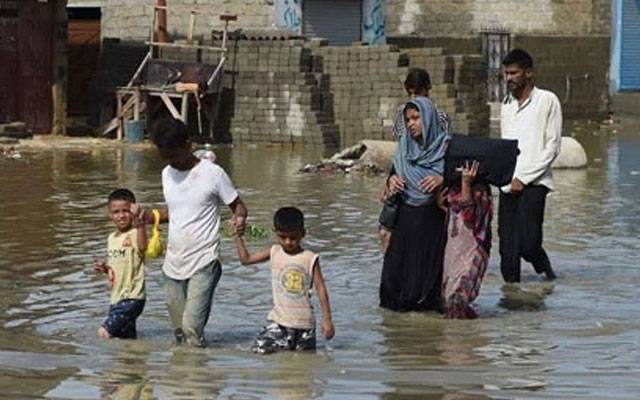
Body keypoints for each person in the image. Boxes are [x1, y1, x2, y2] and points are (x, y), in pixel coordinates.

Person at [148, 117, 248, 347]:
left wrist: (239, 219)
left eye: (174, 155)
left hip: (204, 261)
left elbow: (238, 206)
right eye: (165, 157)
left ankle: (199, 381)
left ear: (188, 145)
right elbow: (178, 211)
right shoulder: (167, 174)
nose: (171, 162)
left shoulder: (213, 173)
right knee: (179, 335)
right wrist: (150, 216)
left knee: (191, 330)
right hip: (173, 263)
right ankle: (181, 379)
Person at [233, 207, 334, 354]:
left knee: (303, 366)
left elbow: (321, 288)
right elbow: (246, 260)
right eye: (282, 237)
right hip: (279, 322)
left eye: (293, 237)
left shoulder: (310, 258)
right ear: (275, 233)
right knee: (258, 352)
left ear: (303, 233)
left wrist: (327, 320)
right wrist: (238, 237)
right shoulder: (274, 252)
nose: (288, 242)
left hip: (305, 325)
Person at [379, 97, 448, 312]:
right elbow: (393, 176)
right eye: (408, 119)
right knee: (395, 281)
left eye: (416, 118)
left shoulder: (446, 148)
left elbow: (468, 175)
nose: (411, 124)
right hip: (405, 218)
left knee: (428, 278)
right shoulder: (404, 148)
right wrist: (392, 181)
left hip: (433, 220)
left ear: (428, 119)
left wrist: (443, 179)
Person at [499, 49, 562, 283]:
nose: (509, 78)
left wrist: (523, 179)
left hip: (534, 184)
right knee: (507, 254)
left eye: (513, 73)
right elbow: (504, 147)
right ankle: (511, 305)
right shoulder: (506, 105)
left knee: (528, 244)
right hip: (507, 184)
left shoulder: (547, 101)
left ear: (528, 73)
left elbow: (552, 147)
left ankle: (546, 272)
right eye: (506, 73)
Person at [378, 68, 450, 252]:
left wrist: (441, 178)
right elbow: (401, 152)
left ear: (428, 89)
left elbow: (444, 152)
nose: (414, 97)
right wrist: (390, 180)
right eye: (410, 93)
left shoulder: (439, 117)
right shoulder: (403, 115)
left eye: (418, 92)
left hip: (429, 187)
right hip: (405, 183)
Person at [440, 161, 493, 319]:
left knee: (458, 298)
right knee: (449, 299)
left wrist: (466, 184)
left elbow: (470, 217)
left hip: (472, 250)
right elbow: (453, 216)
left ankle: (460, 339)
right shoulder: (451, 189)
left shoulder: (480, 191)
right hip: (454, 250)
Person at [95, 188, 147, 339]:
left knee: (104, 333)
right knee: (126, 340)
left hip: (132, 298)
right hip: (116, 298)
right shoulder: (112, 238)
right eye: (116, 212)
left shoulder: (136, 232)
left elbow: (143, 248)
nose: (121, 216)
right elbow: (117, 267)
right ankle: (133, 361)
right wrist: (105, 269)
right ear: (109, 214)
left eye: (126, 210)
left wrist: (141, 223)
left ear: (133, 210)